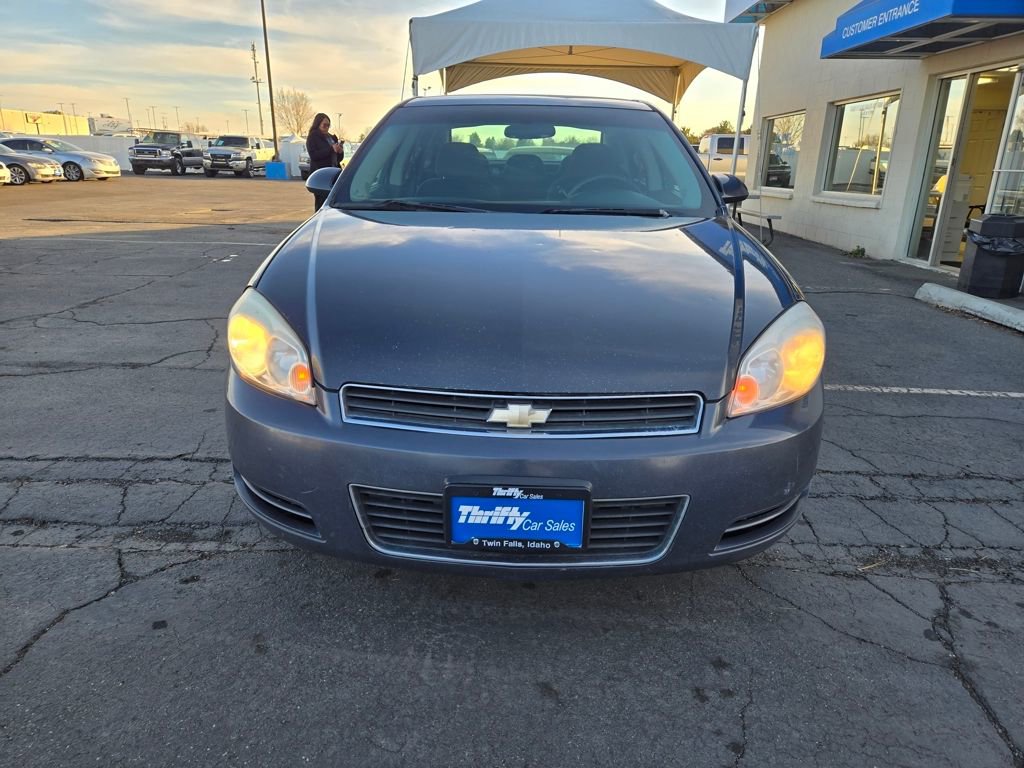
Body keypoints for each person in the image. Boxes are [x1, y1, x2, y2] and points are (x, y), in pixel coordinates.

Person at [306, 112, 345, 211]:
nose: (327, 127)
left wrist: (340, 151)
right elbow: (314, 155)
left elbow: (338, 158)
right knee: (321, 203)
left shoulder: (331, 137)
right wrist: (331, 149)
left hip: (334, 173)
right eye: (324, 125)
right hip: (321, 175)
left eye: (328, 125)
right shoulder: (313, 137)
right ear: (318, 124)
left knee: (334, 203)